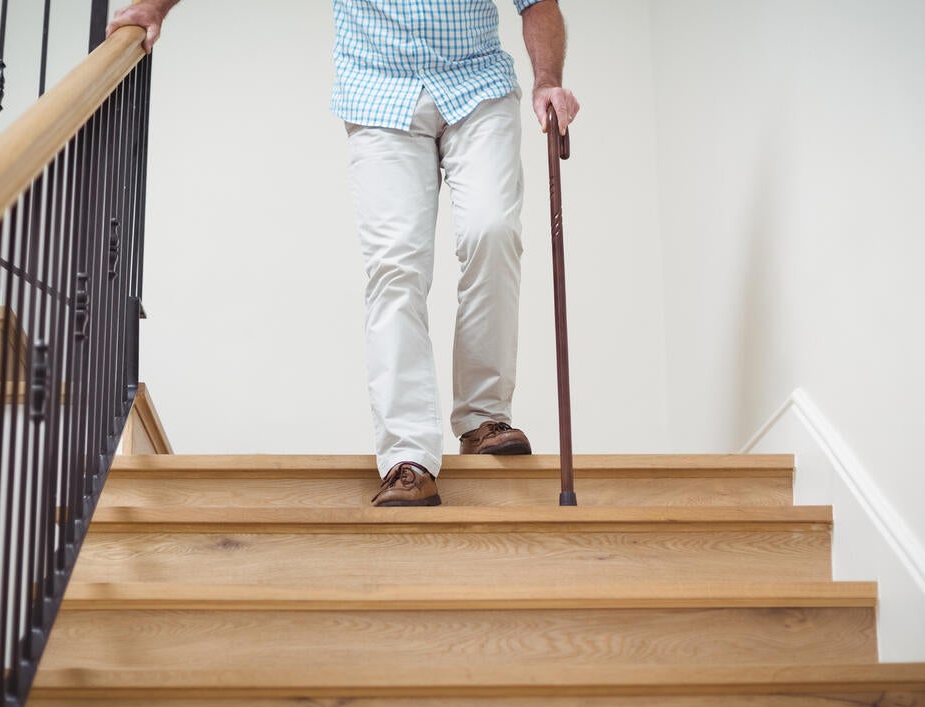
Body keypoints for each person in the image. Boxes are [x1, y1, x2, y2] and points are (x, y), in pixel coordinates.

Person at [108, 0, 579, 508]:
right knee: (396, 264)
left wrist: (546, 79)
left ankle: (483, 418)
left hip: (477, 86)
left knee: (494, 231)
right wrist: (154, 7)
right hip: (379, 97)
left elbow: (537, 3)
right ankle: (409, 456)